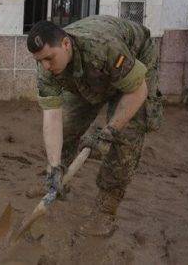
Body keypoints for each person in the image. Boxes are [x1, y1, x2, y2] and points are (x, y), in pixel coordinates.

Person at [26, 16, 163, 237]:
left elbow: (137, 90)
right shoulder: (46, 67)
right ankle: (57, 182)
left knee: (124, 140)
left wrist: (110, 131)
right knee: (68, 127)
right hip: (88, 73)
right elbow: (52, 117)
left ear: (66, 44)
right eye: (40, 60)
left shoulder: (102, 47)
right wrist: (53, 166)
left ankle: (105, 210)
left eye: (49, 58)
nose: (45, 66)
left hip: (133, 64)